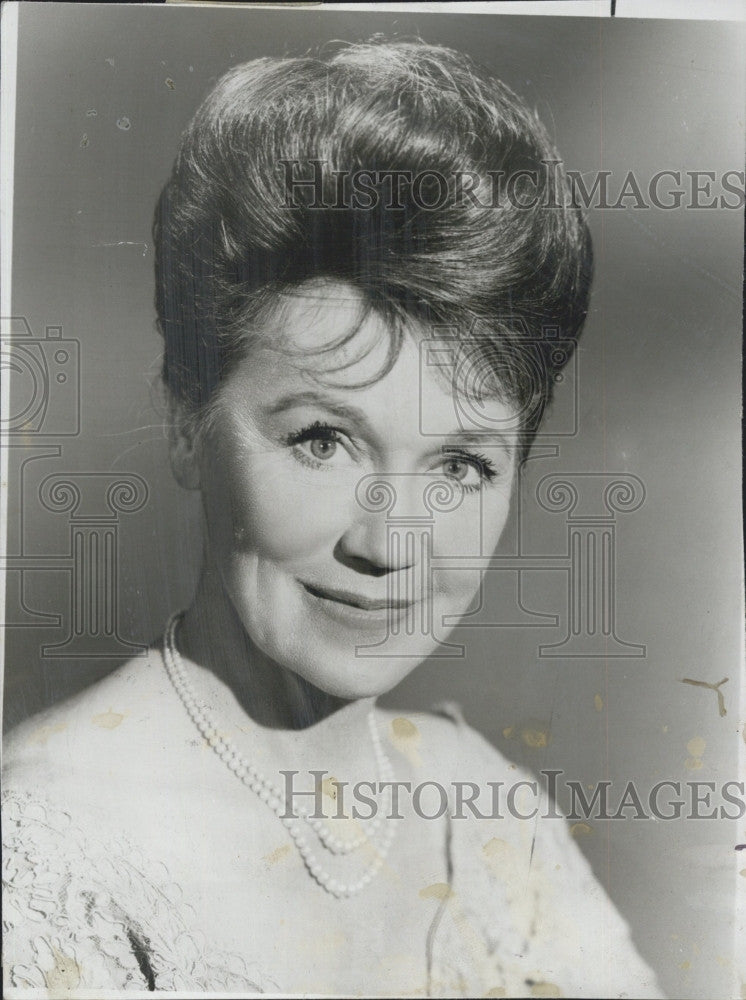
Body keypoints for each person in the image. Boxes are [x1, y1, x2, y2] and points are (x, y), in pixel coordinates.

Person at [2, 39, 664, 998]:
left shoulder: (486, 815)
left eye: (462, 466)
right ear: (187, 417)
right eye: (322, 440)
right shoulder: (44, 850)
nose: (390, 542)